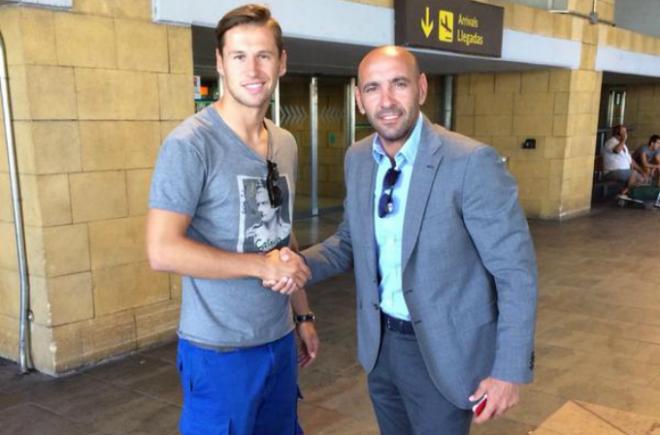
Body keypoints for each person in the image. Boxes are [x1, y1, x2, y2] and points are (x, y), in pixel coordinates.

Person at [270, 46, 537, 435]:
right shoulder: (358, 158)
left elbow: (516, 272)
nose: (388, 100)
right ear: (359, 100)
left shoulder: (469, 162)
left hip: (444, 352)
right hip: (380, 346)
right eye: (373, 88)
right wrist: (296, 266)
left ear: (422, 88)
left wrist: (509, 370)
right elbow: (349, 241)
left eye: (399, 84)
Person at [146, 5, 316, 435]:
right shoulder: (191, 144)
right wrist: (260, 266)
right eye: (239, 56)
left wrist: (302, 314)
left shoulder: (286, 142)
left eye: (263, 55)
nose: (253, 69)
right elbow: (162, 249)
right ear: (220, 63)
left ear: (282, 61)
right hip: (218, 350)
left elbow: (283, 236)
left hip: (278, 340)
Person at [602, 125, 649, 196]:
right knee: (634, 174)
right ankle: (625, 192)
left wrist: (642, 171)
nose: (626, 133)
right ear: (618, 133)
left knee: (642, 178)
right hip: (612, 171)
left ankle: (624, 192)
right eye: (624, 132)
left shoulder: (623, 145)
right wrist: (624, 139)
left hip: (625, 172)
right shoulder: (610, 142)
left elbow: (631, 161)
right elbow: (617, 150)